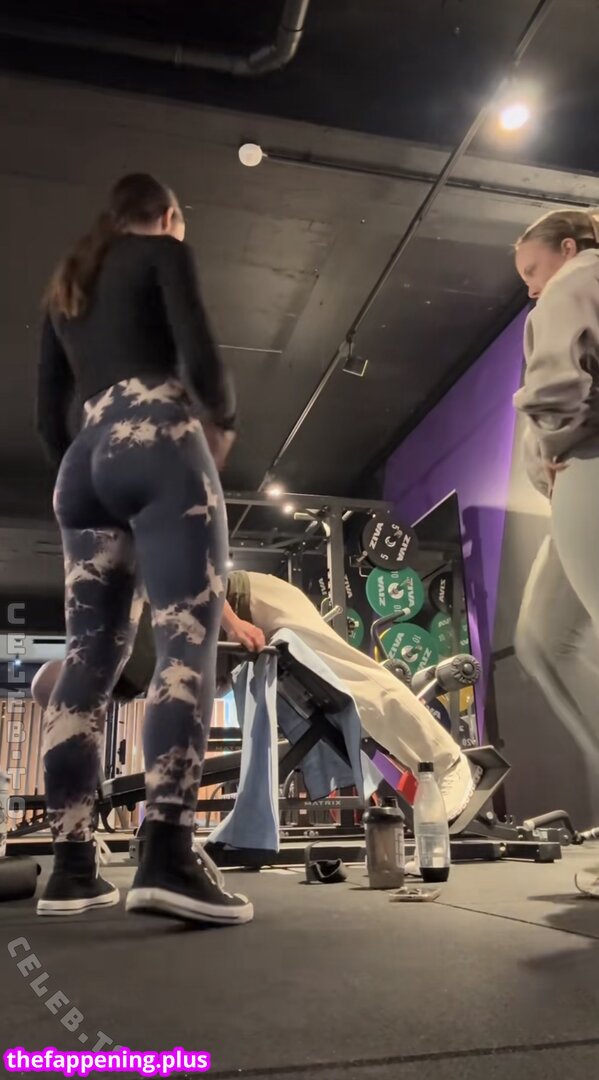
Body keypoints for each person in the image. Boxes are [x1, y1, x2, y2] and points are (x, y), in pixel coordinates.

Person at [35, 172, 253, 925]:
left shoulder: (67, 288)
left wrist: (94, 465)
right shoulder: (162, 250)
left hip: (83, 462)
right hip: (159, 435)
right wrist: (220, 425)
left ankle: (71, 869)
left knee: (87, 662)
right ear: (168, 215)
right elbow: (203, 361)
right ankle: (166, 856)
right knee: (186, 637)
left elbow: (47, 419)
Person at [34, 569, 483, 823]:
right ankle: (422, 780)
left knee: (355, 684)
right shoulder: (120, 683)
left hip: (253, 603)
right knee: (344, 709)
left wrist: (233, 624)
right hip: (238, 644)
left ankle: (448, 763)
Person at [513, 207, 599, 898]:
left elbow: (555, 389)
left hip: (588, 466)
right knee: (542, 638)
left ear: (566, 248)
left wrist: (551, 441)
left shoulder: (578, 277)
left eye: (531, 270)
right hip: (577, 479)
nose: (530, 287)